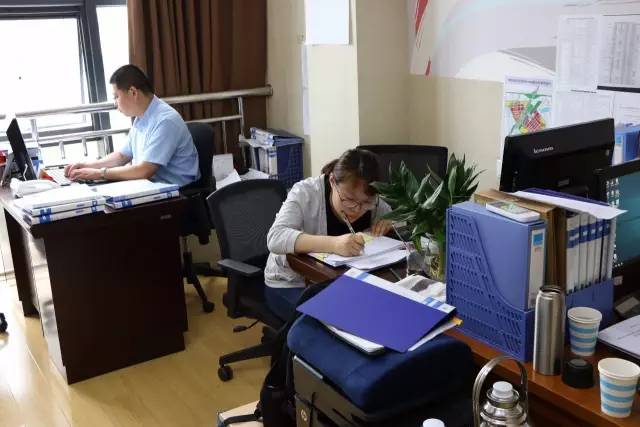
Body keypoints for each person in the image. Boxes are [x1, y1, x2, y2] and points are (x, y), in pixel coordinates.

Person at [264, 148, 392, 319]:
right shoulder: (305, 193)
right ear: (332, 181)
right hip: (291, 284)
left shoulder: (372, 203)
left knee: (374, 312)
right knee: (339, 320)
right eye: (349, 200)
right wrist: (334, 244)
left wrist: (389, 221)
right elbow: (276, 237)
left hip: (339, 285)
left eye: (366, 203)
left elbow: (392, 214)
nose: (357, 209)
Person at [64, 64, 200, 187]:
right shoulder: (142, 117)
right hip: (151, 185)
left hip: (181, 193)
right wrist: (87, 166)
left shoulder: (166, 121)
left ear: (133, 92)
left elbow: (144, 170)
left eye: (116, 96)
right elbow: (122, 156)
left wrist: (100, 173)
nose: (115, 103)